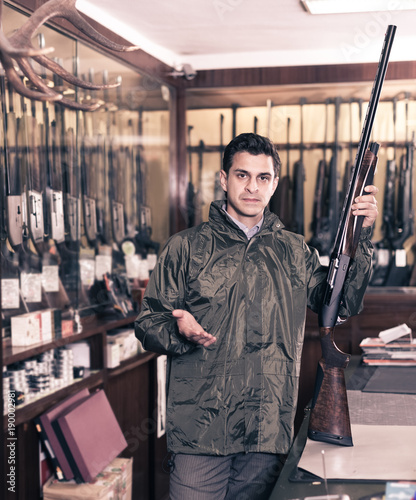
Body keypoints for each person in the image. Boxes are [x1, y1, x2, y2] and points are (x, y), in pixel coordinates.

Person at [135, 133, 379, 500]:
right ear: (223, 179)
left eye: (262, 178)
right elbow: (148, 322)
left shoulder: (296, 251)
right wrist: (177, 329)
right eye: (242, 175)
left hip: (266, 425)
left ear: (275, 184)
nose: (252, 187)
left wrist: (360, 238)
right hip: (200, 430)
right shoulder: (184, 248)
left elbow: (340, 304)